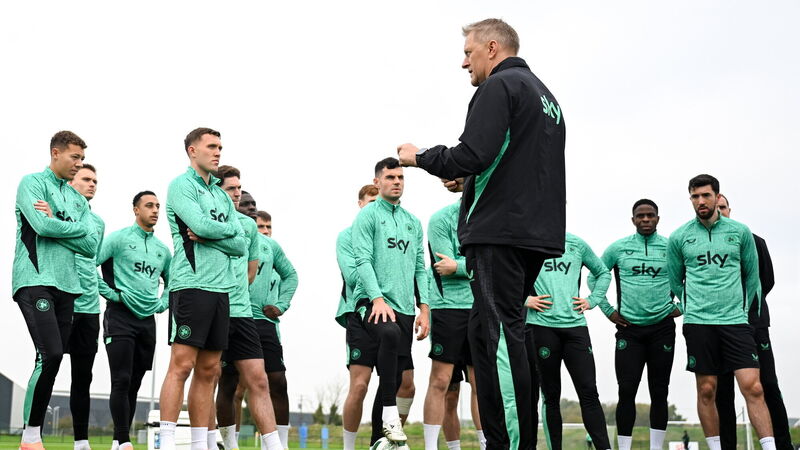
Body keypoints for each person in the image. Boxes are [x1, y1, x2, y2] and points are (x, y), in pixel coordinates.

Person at [397, 18, 566, 449]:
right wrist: (469, 182)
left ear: (492, 48)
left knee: (500, 340)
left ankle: (513, 444)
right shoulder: (546, 97)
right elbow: (512, 163)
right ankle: (502, 437)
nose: (463, 63)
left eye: (468, 53)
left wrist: (419, 156)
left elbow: (471, 153)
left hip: (499, 234)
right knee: (487, 333)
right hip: (532, 232)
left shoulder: (499, 86)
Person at [667, 174, 775, 450]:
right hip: (699, 323)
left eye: (706, 195)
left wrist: (744, 311)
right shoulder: (679, 237)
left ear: (717, 197)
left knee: (754, 387)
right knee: (707, 390)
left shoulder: (740, 232)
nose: (700, 201)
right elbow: (675, 280)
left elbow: (753, 277)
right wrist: (690, 307)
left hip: (735, 322)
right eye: (695, 196)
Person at [158, 128, 248, 450]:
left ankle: (199, 444)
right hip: (191, 285)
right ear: (192, 151)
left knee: (210, 370)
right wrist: (221, 232)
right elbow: (199, 225)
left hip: (221, 290)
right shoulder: (181, 186)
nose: (217, 152)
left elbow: (241, 244)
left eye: (220, 147)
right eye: (211, 146)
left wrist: (213, 235)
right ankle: (166, 441)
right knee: (182, 365)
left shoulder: (222, 196)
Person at [13, 131, 99, 450]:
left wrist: (59, 226)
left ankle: (32, 437)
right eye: (75, 157)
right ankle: (30, 436)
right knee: (48, 353)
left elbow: (91, 246)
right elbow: (42, 226)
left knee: (55, 358)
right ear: (55, 153)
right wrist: (73, 229)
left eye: (82, 158)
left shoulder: (77, 200)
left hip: (69, 287)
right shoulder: (32, 183)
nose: (79, 163)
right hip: (35, 280)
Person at [351, 157, 430, 444]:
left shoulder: (412, 222)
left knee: (395, 377)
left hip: (405, 308)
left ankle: (377, 440)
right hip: (371, 303)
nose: (396, 182)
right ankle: (390, 416)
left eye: (400, 177)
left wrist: (424, 309)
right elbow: (362, 259)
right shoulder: (368, 216)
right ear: (377, 182)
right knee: (389, 334)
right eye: (390, 177)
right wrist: (377, 298)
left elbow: (420, 268)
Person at [592, 199, 680, 450]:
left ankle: (656, 447)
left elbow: (693, 277)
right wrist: (608, 311)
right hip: (629, 331)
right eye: (640, 216)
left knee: (659, 391)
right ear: (633, 220)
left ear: (658, 218)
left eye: (650, 215)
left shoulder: (671, 247)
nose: (645, 219)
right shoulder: (618, 248)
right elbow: (595, 276)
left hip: (662, 329)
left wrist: (681, 307)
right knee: (627, 390)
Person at [714, 195, 793, 450]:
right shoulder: (705, 246)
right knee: (723, 392)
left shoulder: (755, 241)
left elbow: (766, 281)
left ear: (730, 209)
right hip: (718, 326)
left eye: (723, 207)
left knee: (768, 384)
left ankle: (783, 445)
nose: (719, 211)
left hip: (754, 324)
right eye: (715, 208)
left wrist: (746, 308)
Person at [213, 166, 284, 450]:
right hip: (215, 311)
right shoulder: (208, 220)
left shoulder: (251, 230)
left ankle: (274, 446)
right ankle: (226, 444)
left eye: (238, 189)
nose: (238, 194)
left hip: (244, 315)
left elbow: (252, 273)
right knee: (220, 381)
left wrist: (280, 304)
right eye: (232, 189)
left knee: (260, 380)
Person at [98, 191, 171, 450]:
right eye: (149, 205)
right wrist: (112, 294)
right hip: (119, 317)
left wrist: (162, 303)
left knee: (134, 383)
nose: (155, 210)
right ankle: (125, 441)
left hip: (147, 321)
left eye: (158, 206)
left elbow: (173, 282)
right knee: (121, 379)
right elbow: (88, 264)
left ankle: (117, 442)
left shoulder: (163, 250)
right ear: (136, 210)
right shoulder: (118, 239)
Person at [525, 233, 611, 450]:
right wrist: (524, 299)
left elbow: (603, 273)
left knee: (589, 391)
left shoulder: (576, 244)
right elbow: (504, 275)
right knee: (551, 395)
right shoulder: (527, 241)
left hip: (575, 328)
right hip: (541, 327)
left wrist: (592, 300)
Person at [422, 198, 482, 450]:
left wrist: (459, 265)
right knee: (443, 383)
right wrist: (475, 265)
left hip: (480, 306)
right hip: (447, 308)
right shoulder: (441, 219)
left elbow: (493, 264)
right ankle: (432, 447)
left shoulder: (489, 215)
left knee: (481, 383)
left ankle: (486, 444)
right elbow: (444, 266)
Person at [246, 205, 298, 450]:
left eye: (268, 226)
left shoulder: (272, 253)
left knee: (277, 382)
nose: (265, 231)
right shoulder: (239, 242)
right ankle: (228, 441)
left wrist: (280, 305)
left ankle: (280, 445)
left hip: (266, 326)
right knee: (234, 386)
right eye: (260, 226)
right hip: (237, 319)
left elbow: (292, 276)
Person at [66, 163, 106, 450]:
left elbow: (94, 261)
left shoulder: (98, 223)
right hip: (62, 302)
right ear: (71, 182)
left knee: (83, 377)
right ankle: (32, 434)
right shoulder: (60, 213)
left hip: (90, 308)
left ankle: (81, 442)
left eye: (95, 180)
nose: (92, 184)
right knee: (47, 367)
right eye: (86, 179)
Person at [337, 184, 378, 450]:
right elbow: (353, 276)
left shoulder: (391, 233)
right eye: (370, 201)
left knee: (402, 385)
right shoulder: (346, 237)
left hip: (394, 313)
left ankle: (382, 442)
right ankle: (348, 447)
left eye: (378, 201)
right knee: (360, 385)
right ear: (360, 204)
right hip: (359, 313)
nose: (375, 206)